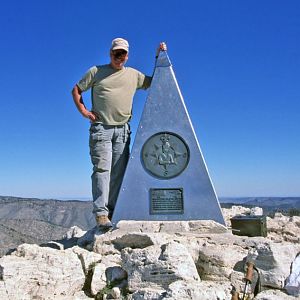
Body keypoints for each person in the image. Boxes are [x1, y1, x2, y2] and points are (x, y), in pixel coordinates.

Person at [72, 38, 167, 229]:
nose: (119, 57)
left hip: (123, 130)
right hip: (102, 129)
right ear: (110, 53)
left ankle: (113, 212)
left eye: (122, 54)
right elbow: (76, 89)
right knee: (102, 170)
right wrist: (84, 112)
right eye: (116, 53)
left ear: (127, 56)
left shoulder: (133, 75)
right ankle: (101, 213)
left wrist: (159, 56)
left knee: (118, 173)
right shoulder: (96, 72)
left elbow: (156, 81)